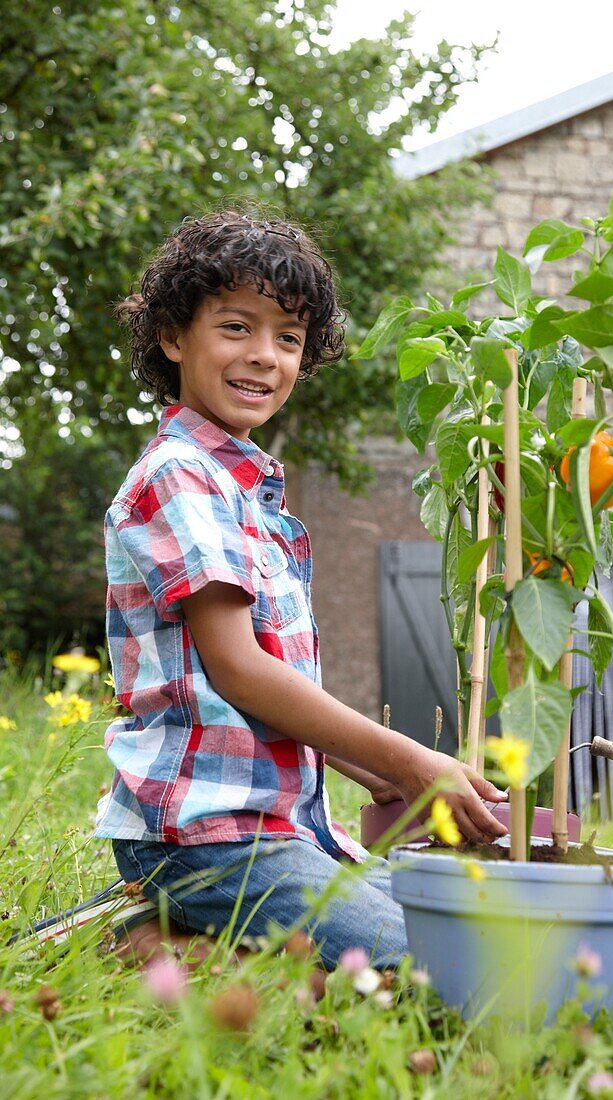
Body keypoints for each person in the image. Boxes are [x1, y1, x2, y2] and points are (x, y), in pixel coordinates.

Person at [96, 208, 508, 970]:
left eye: (287, 338)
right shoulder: (180, 475)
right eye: (235, 327)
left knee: (468, 928)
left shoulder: (246, 490)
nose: (263, 356)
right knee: (443, 969)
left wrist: (401, 780)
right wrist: (414, 761)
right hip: (206, 836)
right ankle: (163, 936)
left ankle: (178, 936)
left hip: (278, 829)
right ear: (172, 337)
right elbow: (240, 671)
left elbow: (266, 703)